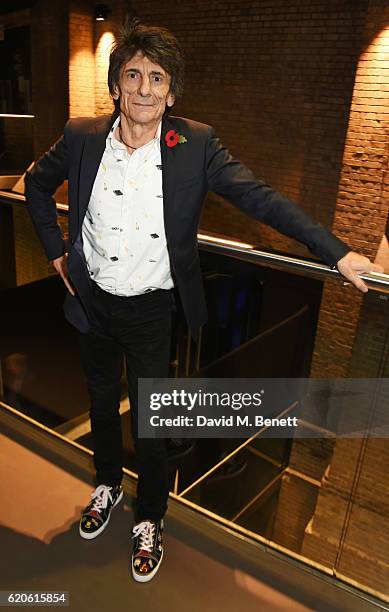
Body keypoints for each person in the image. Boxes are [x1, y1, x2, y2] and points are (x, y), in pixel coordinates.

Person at [24, 19, 382, 582]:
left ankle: (150, 518)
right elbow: (36, 185)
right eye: (133, 74)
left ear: (172, 92)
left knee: (151, 423)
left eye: (157, 78)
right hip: (91, 301)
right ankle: (107, 486)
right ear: (116, 83)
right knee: (98, 401)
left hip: (149, 310)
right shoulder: (82, 136)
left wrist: (336, 252)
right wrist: (57, 255)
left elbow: (262, 199)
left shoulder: (195, 145)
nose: (144, 88)